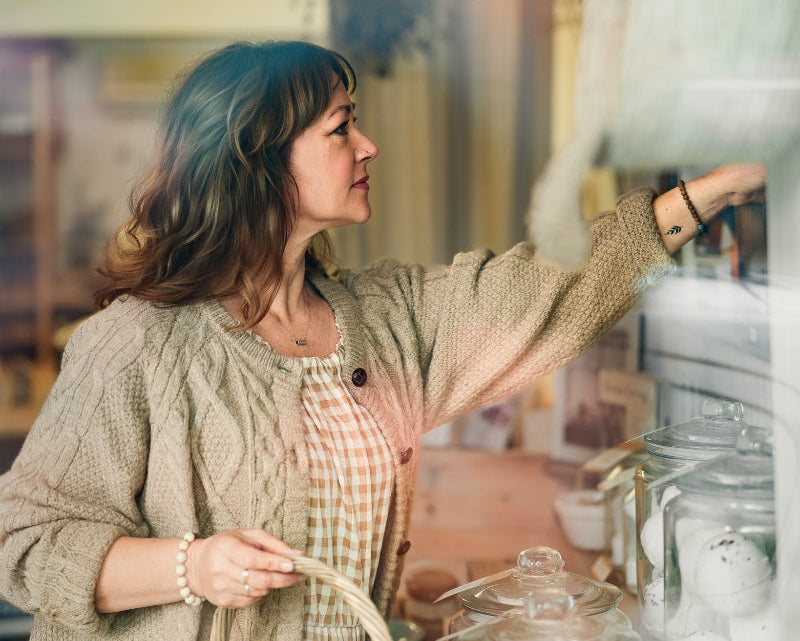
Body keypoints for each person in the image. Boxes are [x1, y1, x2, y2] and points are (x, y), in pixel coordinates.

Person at [0, 40, 765, 641]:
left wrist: (707, 194)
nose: (368, 146)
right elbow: (24, 542)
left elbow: (539, 292)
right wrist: (190, 565)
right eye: (341, 129)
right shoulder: (135, 345)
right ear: (258, 163)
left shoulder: (380, 318)